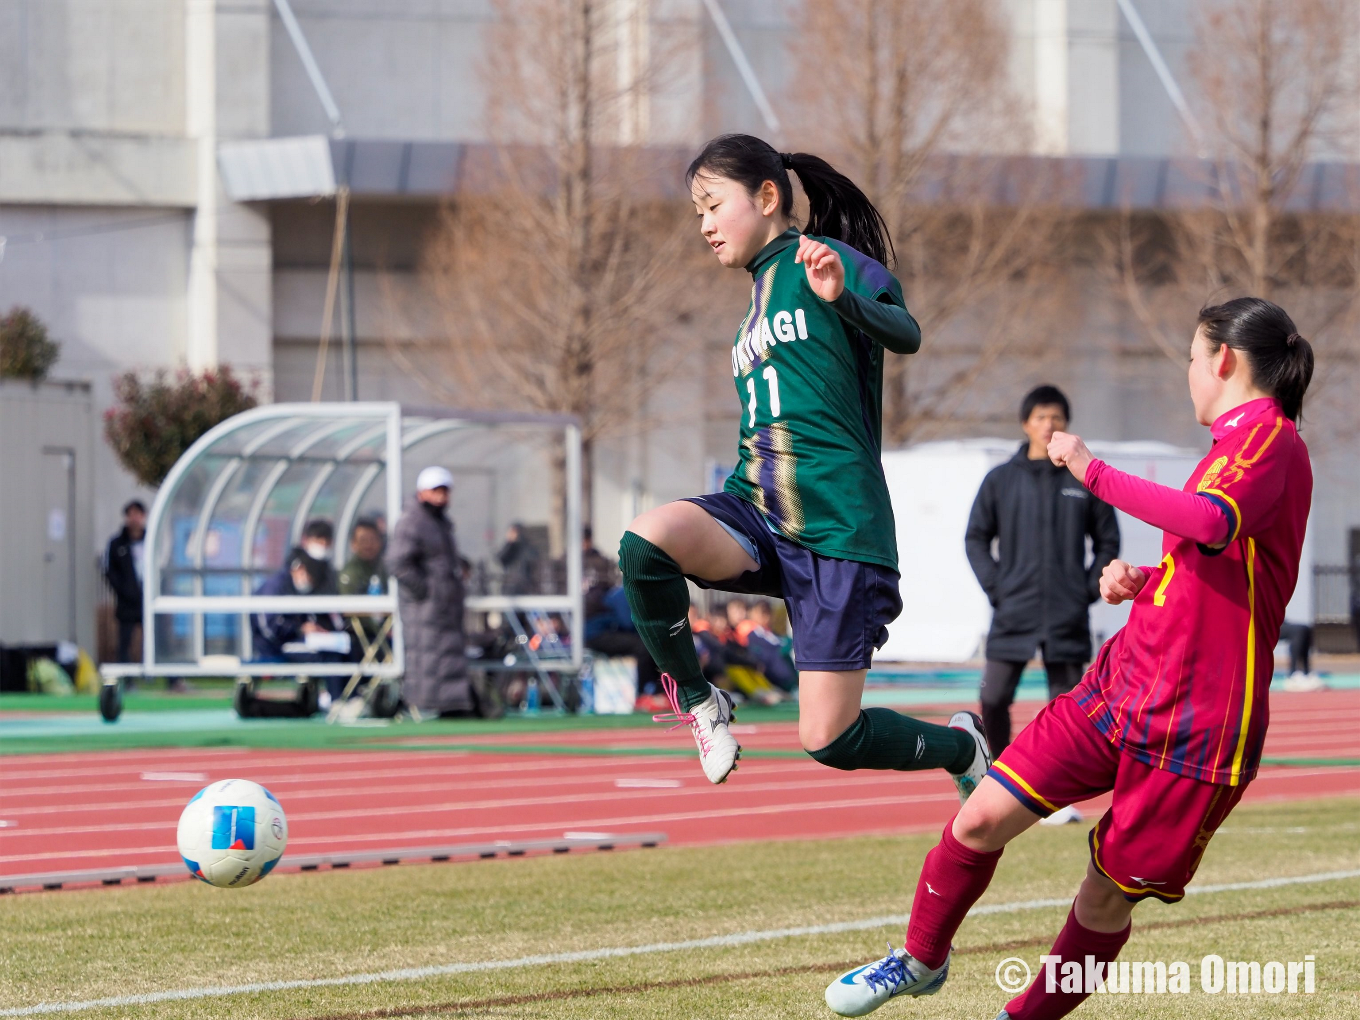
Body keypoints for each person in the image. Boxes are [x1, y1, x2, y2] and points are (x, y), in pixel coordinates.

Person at [827, 297, 1314, 1020]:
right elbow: (1220, 565)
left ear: (1223, 361)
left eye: (1188, 357)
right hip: (1122, 684)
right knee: (980, 816)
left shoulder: (1268, 441)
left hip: (1195, 727)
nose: (1187, 374)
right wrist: (1145, 582)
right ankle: (922, 959)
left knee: (1104, 892)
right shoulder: (1232, 447)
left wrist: (1092, 469)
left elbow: (1213, 523)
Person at [618, 133, 990, 793]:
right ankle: (703, 700)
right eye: (696, 213)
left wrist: (842, 295)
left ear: (767, 196)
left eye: (711, 205)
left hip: (836, 525)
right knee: (645, 543)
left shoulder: (825, 261)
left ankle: (961, 750)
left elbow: (907, 333)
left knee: (829, 738)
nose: (703, 225)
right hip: (756, 509)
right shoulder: (750, 309)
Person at [966, 385, 1121, 758]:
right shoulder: (1001, 480)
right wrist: (997, 586)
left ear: (1067, 425)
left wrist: (1084, 590)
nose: (1049, 424)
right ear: (1025, 423)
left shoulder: (1084, 479)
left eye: (1056, 418)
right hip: (1012, 608)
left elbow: (1107, 541)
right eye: (1040, 417)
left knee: (1067, 706)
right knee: (993, 696)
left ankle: (1054, 782)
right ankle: (997, 773)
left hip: (1066, 610)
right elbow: (975, 538)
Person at [387, 466, 472, 717]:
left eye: (445, 491)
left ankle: (450, 705)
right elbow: (397, 563)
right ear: (422, 492)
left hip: (444, 605)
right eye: (436, 491)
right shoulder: (412, 522)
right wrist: (426, 591)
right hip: (424, 607)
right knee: (428, 658)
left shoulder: (440, 524)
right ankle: (426, 704)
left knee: (445, 657)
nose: (441, 497)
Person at [580, 526, 662, 697]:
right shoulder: (626, 590)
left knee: (650, 645)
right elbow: (629, 622)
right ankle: (643, 694)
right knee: (645, 646)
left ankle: (658, 690)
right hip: (596, 635)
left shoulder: (633, 588)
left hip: (603, 632)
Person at [250, 549, 340, 661]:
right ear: (298, 568)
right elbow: (269, 628)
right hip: (276, 646)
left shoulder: (295, 586)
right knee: (327, 655)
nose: (310, 580)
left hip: (297, 640)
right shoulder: (275, 586)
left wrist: (315, 628)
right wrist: (300, 629)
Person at [104, 500, 147, 662]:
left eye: (138, 514)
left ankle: (166, 677)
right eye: (131, 514)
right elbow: (110, 570)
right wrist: (123, 590)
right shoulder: (117, 544)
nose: (134, 518)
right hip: (127, 602)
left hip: (147, 598)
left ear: (144, 516)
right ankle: (126, 677)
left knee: (154, 638)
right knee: (125, 640)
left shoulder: (151, 541)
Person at [338, 517, 389, 647]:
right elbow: (349, 610)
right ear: (353, 544)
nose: (368, 545)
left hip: (385, 630)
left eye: (373, 540)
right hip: (360, 636)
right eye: (363, 540)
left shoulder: (384, 569)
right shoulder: (350, 573)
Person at [497, 522, 540, 595]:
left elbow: (533, 558)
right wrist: (510, 543)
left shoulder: (527, 547)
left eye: (515, 532)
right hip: (509, 587)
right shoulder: (509, 547)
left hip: (525, 587)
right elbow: (501, 558)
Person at [299, 518, 338, 594]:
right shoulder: (295, 568)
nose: (323, 545)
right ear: (306, 541)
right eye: (318, 540)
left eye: (327, 542)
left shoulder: (330, 573)